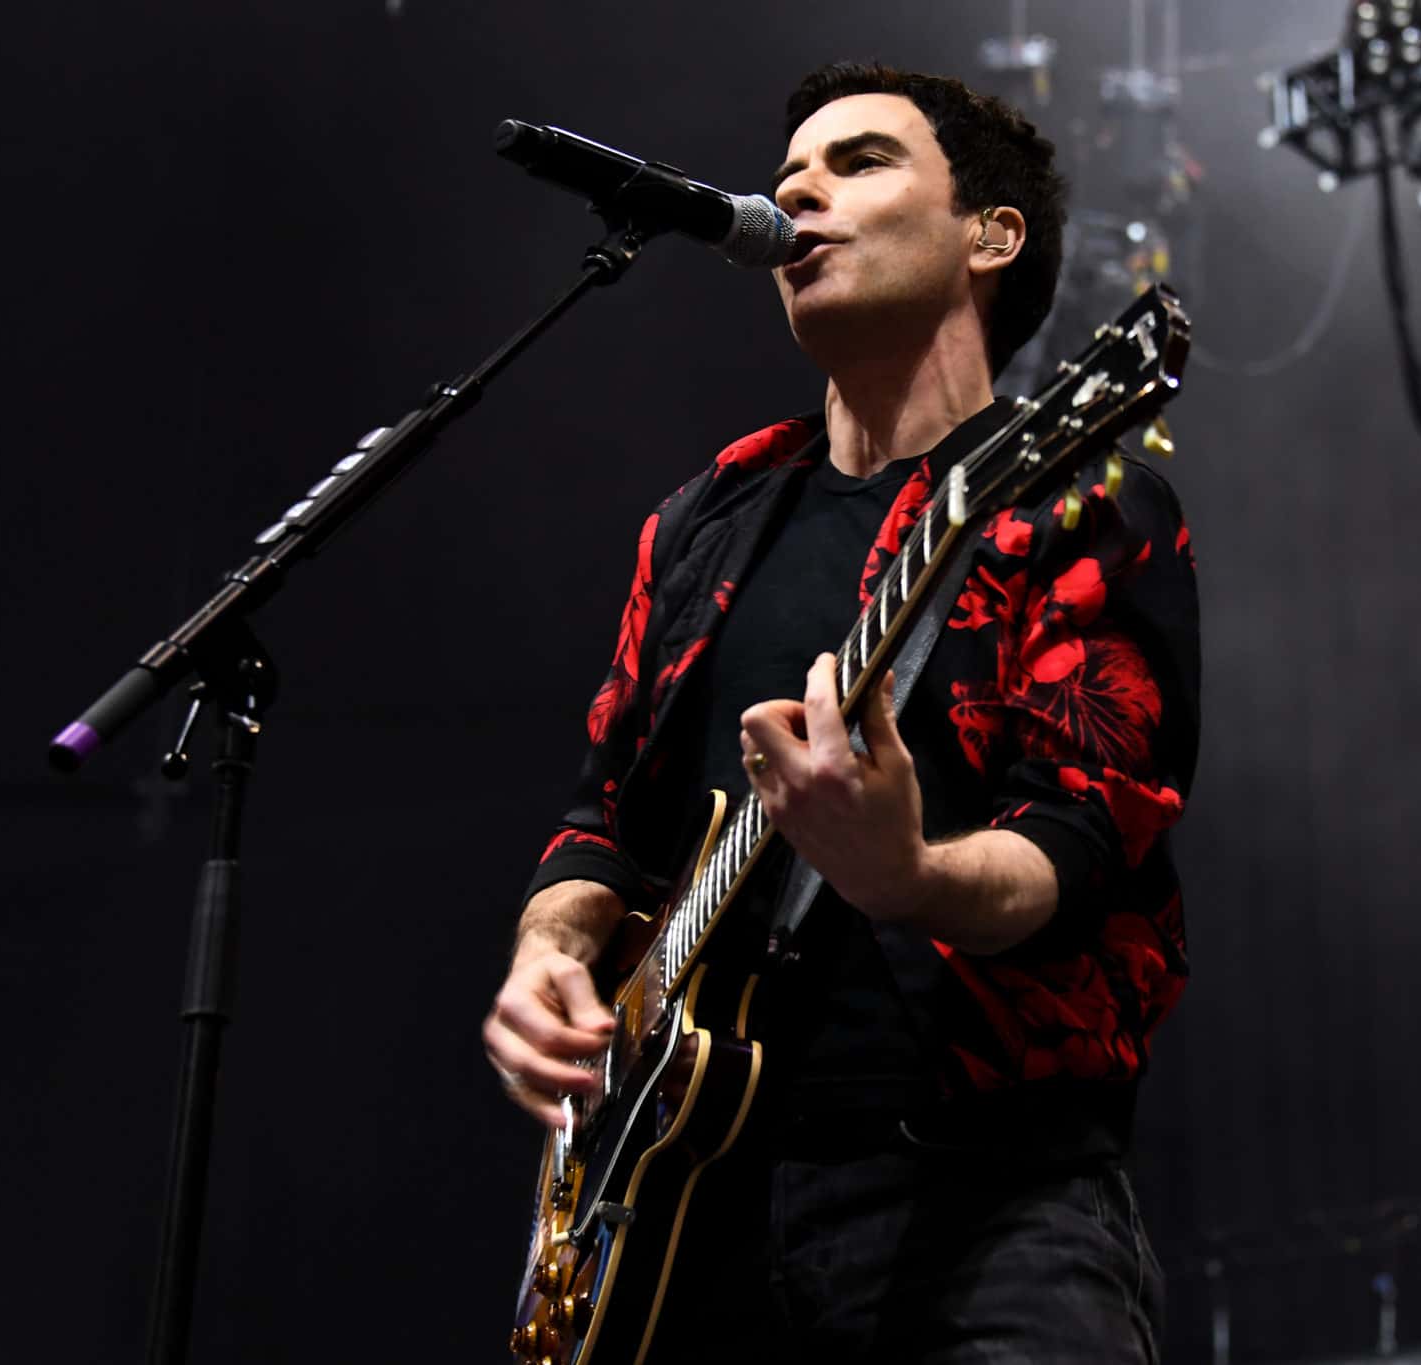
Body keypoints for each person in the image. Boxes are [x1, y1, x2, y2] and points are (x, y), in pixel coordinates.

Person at [481, 61, 1199, 1363]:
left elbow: (1087, 839)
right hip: (684, 1207)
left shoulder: (1080, 498)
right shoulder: (704, 522)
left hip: (985, 1202)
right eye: (789, 171)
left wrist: (910, 872)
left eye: (859, 161)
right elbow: (607, 821)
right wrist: (548, 950)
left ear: (989, 236)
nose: (794, 188)